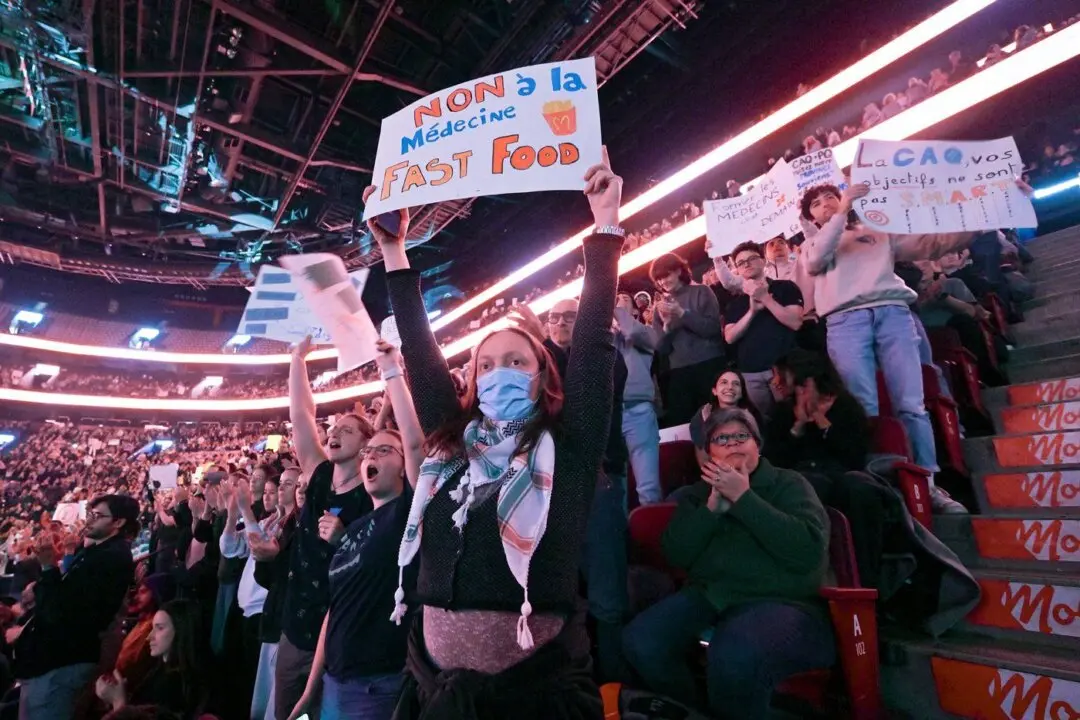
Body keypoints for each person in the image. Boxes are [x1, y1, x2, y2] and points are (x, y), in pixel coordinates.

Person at [363, 147, 623, 717]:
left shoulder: (570, 447)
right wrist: (393, 250)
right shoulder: (449, 446)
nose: (499, 371)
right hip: (431, 693)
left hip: (536, 698)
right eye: (486, 363)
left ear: (543, 378)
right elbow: (420, 352)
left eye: (516, 362)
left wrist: (604, 225)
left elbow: (596, 345)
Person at [622, 408, 834, 719]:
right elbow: (676, 554)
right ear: (709, 455)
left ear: (757, 445)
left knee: (734, 654)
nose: (733, 443)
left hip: (785, 602)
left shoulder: (788, 484)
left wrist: (744, 499)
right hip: (712, 596)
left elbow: (808, 553)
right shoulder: (696, 495)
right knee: (641, 641)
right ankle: (696, 711)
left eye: (741, 436)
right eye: (722, 439)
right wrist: (711, 509)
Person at [801, 182, 975, 513]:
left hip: (893, 312)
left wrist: (983, 217)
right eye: (816, 204)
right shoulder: (812, 242)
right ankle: (880, 487)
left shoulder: (876, 228)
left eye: (830, 198)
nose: (824, 204)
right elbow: (816, 262)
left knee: (912, 404)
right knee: (863, 406)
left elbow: (930, 244)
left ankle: (929, 484)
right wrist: (841, 212)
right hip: (844, 320)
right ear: (809, 215)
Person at [288, 340, 424, 720]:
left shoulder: (408, 515)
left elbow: (414, 444)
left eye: (383, 451)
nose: (371, 457)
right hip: (335, 682)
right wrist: (313, 685)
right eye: (369, 453)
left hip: (377, 685)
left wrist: (392, 370)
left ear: (403, 468)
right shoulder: (357, 527)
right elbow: (338, 608)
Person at [274, 339, 375, 719]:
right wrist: (297, 359)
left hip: (338, 638)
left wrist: (344, 540)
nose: (334, 431)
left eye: (347, 430)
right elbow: (301, 414)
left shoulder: (373, 495)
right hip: (295, 628)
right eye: (334, 427)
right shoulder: (316, 474)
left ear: (367, 446)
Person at [15, 494, 139, 720]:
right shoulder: (99, 552)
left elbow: (60, 613)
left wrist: (48, 568)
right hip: (55, 663)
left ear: (118, 522)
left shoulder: (110, 559)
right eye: (89, 514)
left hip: (61, 664)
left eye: (98, 516)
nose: (89, 520)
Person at [721, 241, 804, 419]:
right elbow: (729, 337)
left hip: (783, 369)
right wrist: (752, 312)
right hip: (751, 373)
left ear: (763, 261)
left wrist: (765, 299)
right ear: (737, 269)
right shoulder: (735, 304)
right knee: (769, 422)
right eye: (741, 262)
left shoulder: (785, 287)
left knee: (796, 416)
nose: (747, 264)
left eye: (751, 258)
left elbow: (795, 322)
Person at [94, 599, 212, 718]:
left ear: (181, 630)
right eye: (152, 628)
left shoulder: (179, 686)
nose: (150, 637)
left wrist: (118, 701)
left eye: (160, 628)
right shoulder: (159, 671)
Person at [649, 252, 726, 425]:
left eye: (666, 275)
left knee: (718, 419)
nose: (663, 282)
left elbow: (713, 329)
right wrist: (668, 327)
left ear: (678, 271)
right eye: (659, 279)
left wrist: (682, 313)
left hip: (710, 364)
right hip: (679, 371)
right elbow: (661, 348)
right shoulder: (659, 307)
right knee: (685, 423)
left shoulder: (702, 291)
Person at [251, 468, 303, 720]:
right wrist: (264, 558)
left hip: (289, 624)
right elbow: (267, 579)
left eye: (288, 484)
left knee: (284, 701)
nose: (282, 489)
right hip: (274, 615)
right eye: (280, 483)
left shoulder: (299, 524)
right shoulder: (280, 523)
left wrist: (275, 556)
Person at [615, 291, 661, 506]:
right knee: (616, 487)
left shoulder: (647, 332)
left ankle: (652, 535)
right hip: (610, 415)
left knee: (648, 487)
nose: (617, 303)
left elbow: (632, 331)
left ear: (635, 309)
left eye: (624, 300)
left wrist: (615, 310)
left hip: (639, 412)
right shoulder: (604, 339)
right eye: (615, 300)